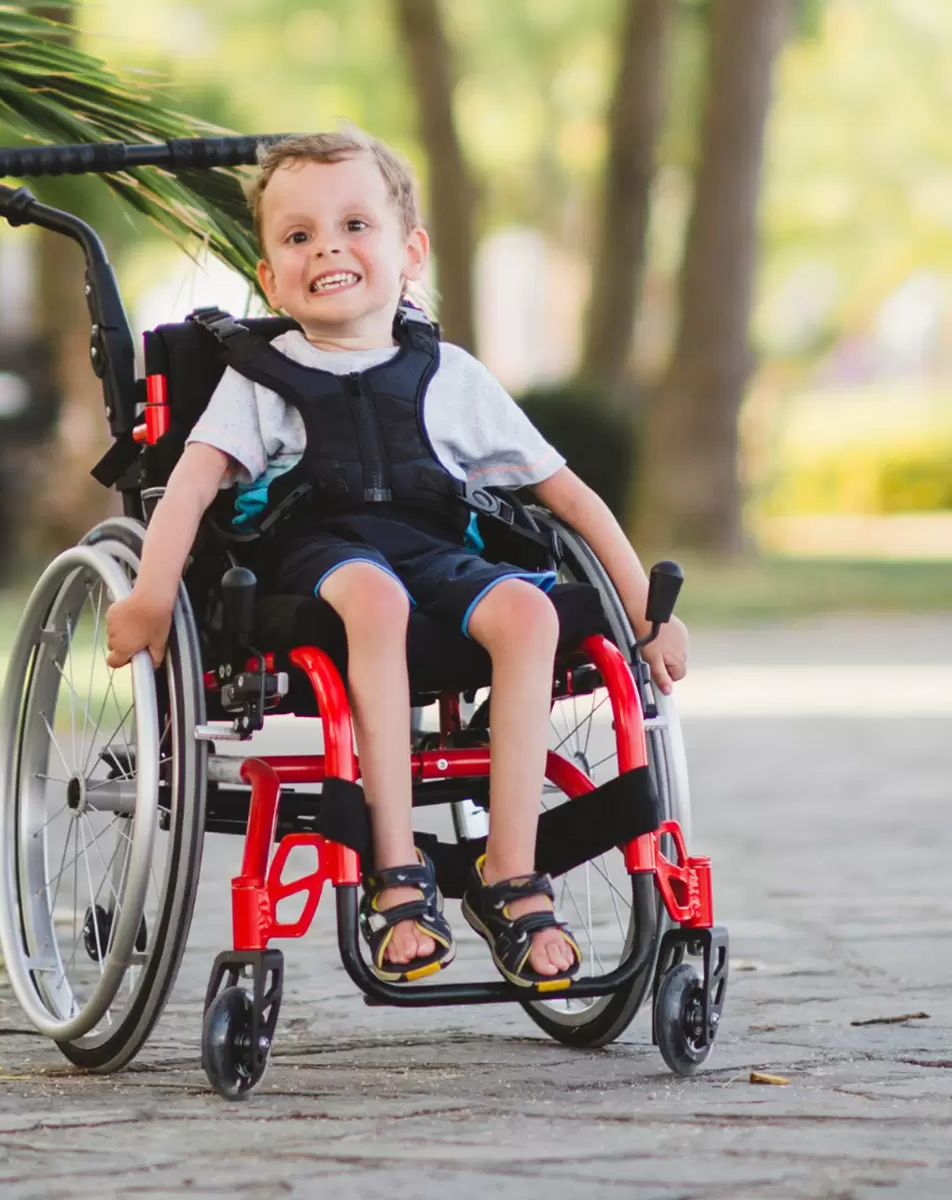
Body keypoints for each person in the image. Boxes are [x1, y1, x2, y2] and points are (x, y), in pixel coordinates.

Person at [106, 128, 688, 988]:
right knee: (376, 601)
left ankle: (511, 875)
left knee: (529, 610)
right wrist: (153, 597)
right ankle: (394, 875)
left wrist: (643, 608)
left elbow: (568, 497)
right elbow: (189, 489)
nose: (328, 248)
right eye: (298, 236)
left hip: (435, 551)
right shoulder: (261, 377)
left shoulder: (449, 373)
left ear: (409, 252)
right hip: (312, 558)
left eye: (354, 225)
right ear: (270, 276)